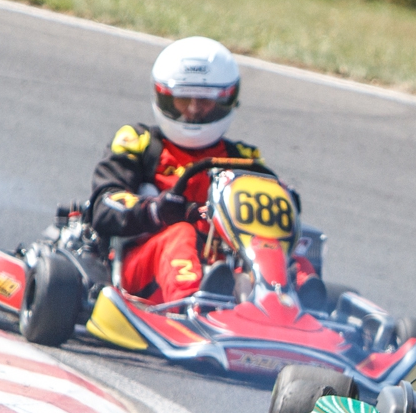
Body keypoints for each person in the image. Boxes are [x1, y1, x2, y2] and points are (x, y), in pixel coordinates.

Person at [88, 36, 316, 305]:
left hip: (221, 263)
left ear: (226, 101)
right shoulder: (141, 143)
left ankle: (305, 306)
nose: (194, 111)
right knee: (181, 234)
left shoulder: (241, 159)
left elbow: (277, 215)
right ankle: (192, 304)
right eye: (184, 100)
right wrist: (154, 210)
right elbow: (104, 204)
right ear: (165, 97)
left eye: (206, 101)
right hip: (146, 264)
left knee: (276, 251)